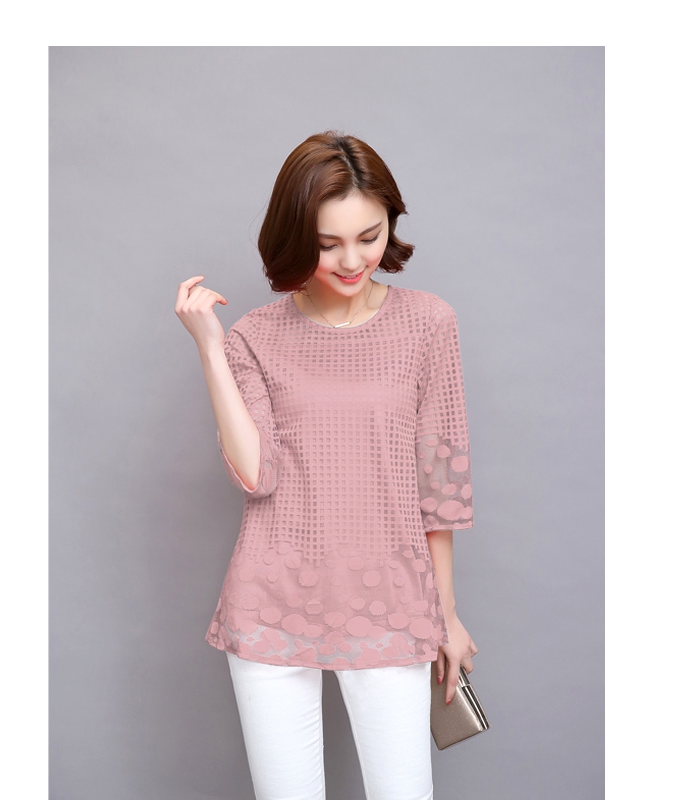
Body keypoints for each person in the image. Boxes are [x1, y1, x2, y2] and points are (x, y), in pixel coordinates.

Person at [175, 131, 478, 800]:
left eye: (369, 237)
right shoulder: (255, 336)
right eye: (327, 243)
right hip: (271, 604)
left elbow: (440, 485)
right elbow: (257, 476)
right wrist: (211, 350)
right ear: (295, 237)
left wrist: (446, 613)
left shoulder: (428, 324)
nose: (351, 260)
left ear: (391, 222)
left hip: (393, 603)